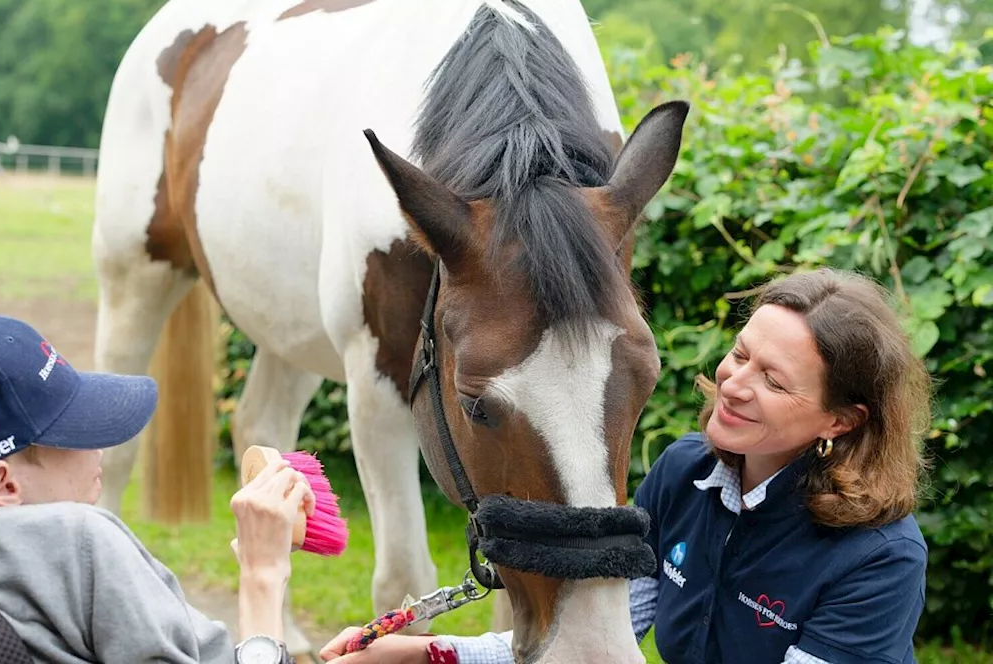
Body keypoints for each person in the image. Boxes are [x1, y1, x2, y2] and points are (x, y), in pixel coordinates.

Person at [319, 267, 932, 664]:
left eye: (772, 380)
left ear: (840, 421)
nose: (733, 384)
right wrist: (424, 654)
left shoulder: (880, 558)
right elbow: (596, 636)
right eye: (740, 354)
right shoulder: (684, 474)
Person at [0, 313, 312, 664]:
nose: (99, 446)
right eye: (72, 432)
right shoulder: (81, 543)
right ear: (3, 483)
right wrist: (262, 574)